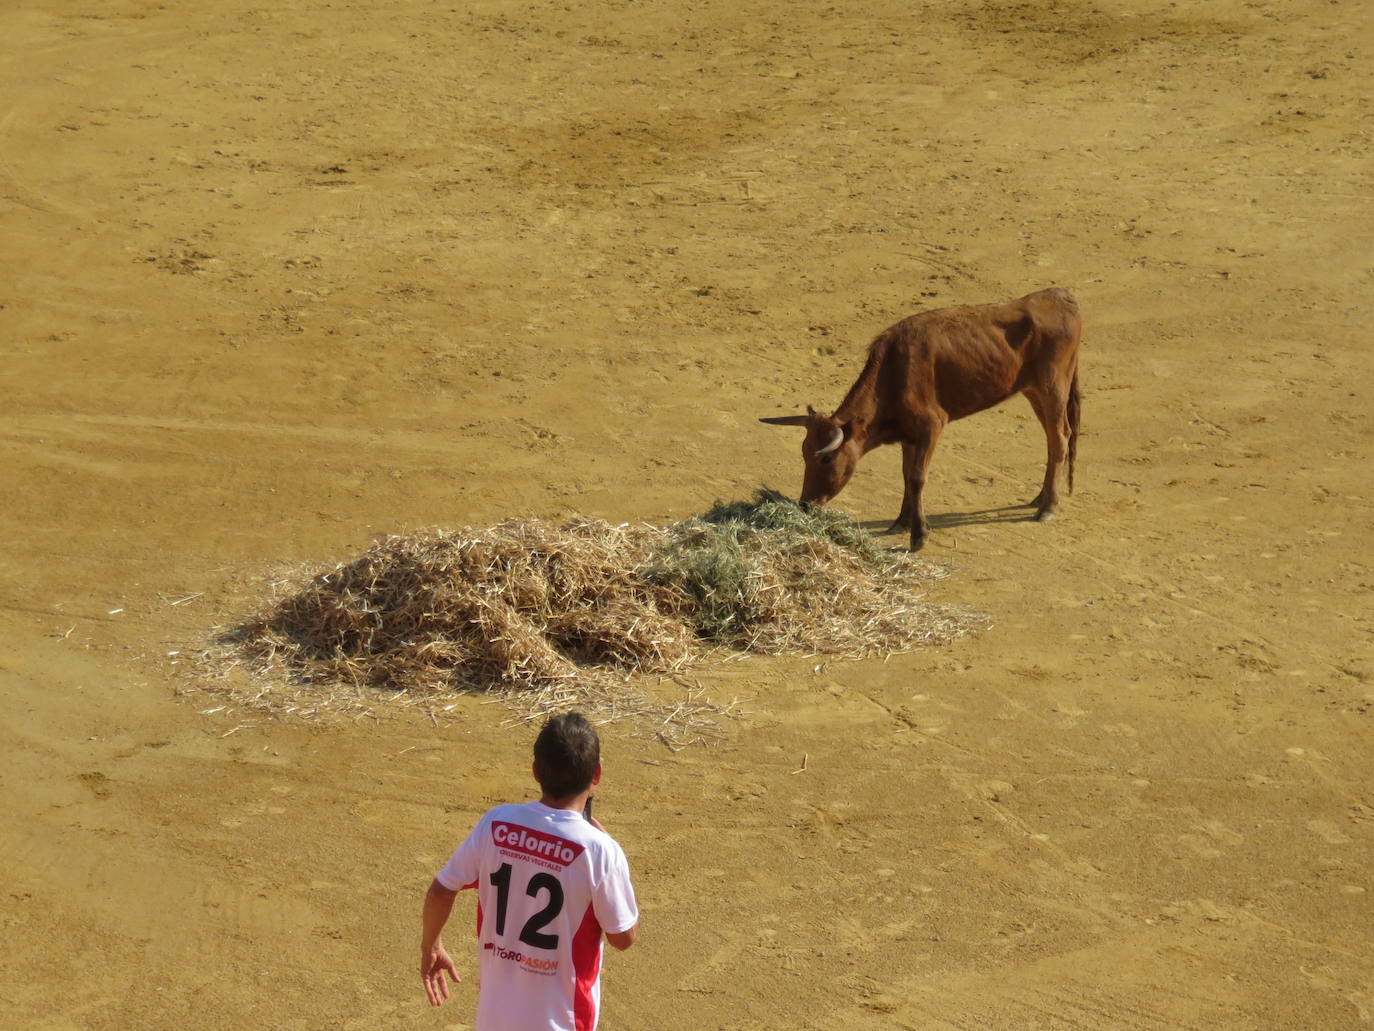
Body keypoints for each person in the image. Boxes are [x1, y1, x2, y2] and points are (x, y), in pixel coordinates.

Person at [420, 712, 639, 1031]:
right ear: (597, 775)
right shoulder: (600, 851)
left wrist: (432, 946)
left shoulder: (496, 823)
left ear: (536, 771)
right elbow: (623, 937)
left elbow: (442, 889)